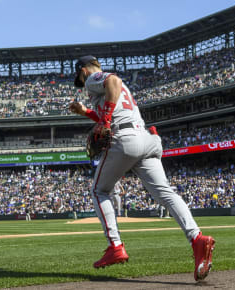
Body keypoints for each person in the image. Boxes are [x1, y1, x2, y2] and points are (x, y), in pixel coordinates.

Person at [69, 55, 215, 281]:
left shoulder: (92, 78)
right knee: (165, 193)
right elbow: (112, 102)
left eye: (80, 77)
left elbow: (113, 81)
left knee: (99, 191)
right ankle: (197, 239)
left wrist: (106, 120)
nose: (82, 82)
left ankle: (115, 245)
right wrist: (86, 112)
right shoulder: (117, 90)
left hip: (124, 138)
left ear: (83, 71)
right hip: (146, 138)